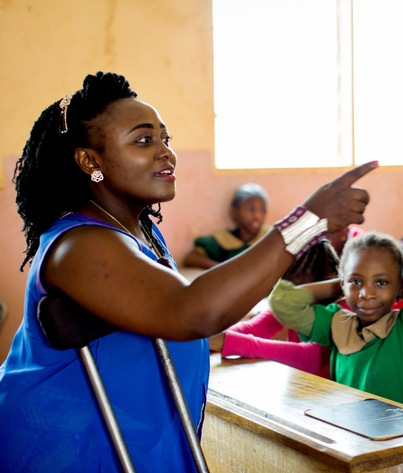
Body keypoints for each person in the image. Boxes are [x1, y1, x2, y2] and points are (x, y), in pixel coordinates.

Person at [0, 71, 377, 472]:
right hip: (62, 449)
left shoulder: (141, 232)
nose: (166, 152)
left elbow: (172, 320)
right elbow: (189, 311)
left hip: (130, 441)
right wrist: (307, 221)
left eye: (166, 138)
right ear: (90, 161)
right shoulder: (80, 245)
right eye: (144, 140)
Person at [269, 232, 403, 412]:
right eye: (356, 282)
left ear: (400, 285)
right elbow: (281, 301)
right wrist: (341, 285)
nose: (367, 294)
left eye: (381, 282)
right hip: (353, 436)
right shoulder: (337, 323)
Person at [209, 240, 341, 378]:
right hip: (300, 387)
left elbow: (311, 357)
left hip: (329, 395)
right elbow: (256, 327)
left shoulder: (341, 312)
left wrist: (230, 342)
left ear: (324, 283)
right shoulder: (290, 303)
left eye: (291, 290)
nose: (283, 298)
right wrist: (206, 340)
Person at [183, 182, 269, 268]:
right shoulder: (222, 240)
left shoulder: (269, 237)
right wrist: (222, 269)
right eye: (250, 209)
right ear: (235, 212)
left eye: (262, 210)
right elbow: (190, 258)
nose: (257, 216)